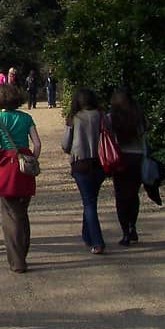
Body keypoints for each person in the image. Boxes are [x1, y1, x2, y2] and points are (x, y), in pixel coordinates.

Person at [0, 81, 41, 272]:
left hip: (7, 168)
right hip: (24, 167)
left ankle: (17, 261)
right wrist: (31, 160)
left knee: (10, 215)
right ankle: (23, 253)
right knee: (21, 212)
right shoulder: (26, 118)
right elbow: (37, 144)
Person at [62, 87, 107, 254]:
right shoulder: (102, 116)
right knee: (90, 201)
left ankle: (97, 241)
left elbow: (66, 145)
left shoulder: (74, 118)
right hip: (100, 163)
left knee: (89, 203)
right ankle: (87, 235)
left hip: (81, 164)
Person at [108, 87, 146, 246]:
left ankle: (125, 231)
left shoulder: (111, 118)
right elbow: (144, 134)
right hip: (137, 156)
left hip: (120, 157)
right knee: (133, 194)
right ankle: (132, 225)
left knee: (121, 195)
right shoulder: (139, 116)